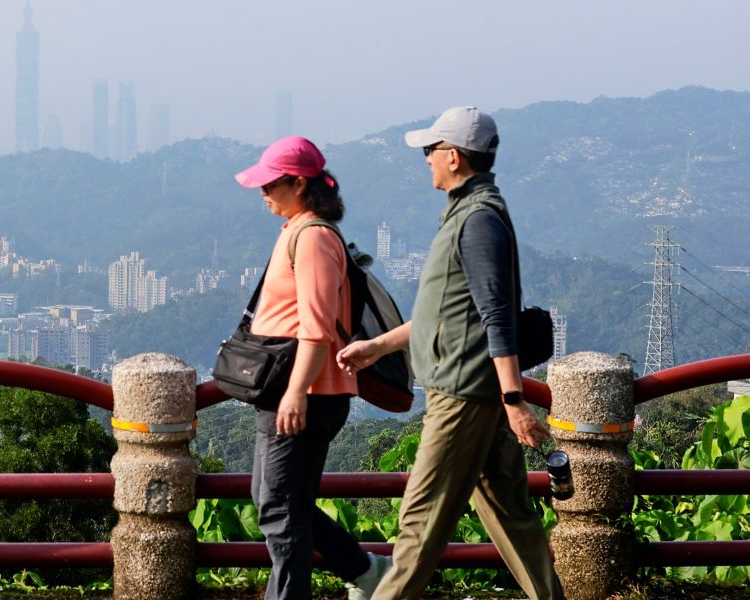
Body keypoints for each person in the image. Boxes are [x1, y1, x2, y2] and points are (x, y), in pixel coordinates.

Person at [336, 107, 565, 599]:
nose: (426, 159)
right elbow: (448, 312)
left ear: (454, 157)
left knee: (420, 522)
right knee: (511, 514)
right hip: (476, 390)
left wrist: (514, 400)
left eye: (431, 150)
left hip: (462, 396)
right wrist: (378, 346)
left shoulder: (477, 222)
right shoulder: (470, 214)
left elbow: (496, 316)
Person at [234, 136, 391, 600]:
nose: (262, 192)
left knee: (279, 510)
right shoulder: (297, 231)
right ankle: (366, 571)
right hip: (290, 391)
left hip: (307, 393)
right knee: (275, 500)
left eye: (270, 184)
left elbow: (317, 327)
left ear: (299, 184)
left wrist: (296, 391)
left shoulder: (314, 237)